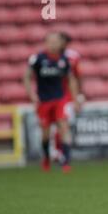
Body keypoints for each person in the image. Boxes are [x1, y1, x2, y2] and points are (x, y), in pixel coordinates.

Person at [23, 32, 79, 172]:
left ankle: (66, 162)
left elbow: (71, 79)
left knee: (63, 127)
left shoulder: (64, 60)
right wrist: (32, 94)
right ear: (46, 43)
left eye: (56, 42)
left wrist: (75, 98)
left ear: (61, 43)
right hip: (44, 101)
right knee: (45, 133)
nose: (54, 44)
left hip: (60, 99)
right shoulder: (38, 59)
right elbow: (27, 77)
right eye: (51, 42)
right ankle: (46, 158)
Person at [52, 31, 85, 164]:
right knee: (56, 127)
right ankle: (57, 152)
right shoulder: (50, 56)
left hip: (68, 97)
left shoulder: (73, 56)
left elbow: (78, 77)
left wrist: (79, 95)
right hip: (52, 96)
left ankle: (62, 153)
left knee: (65, 126)